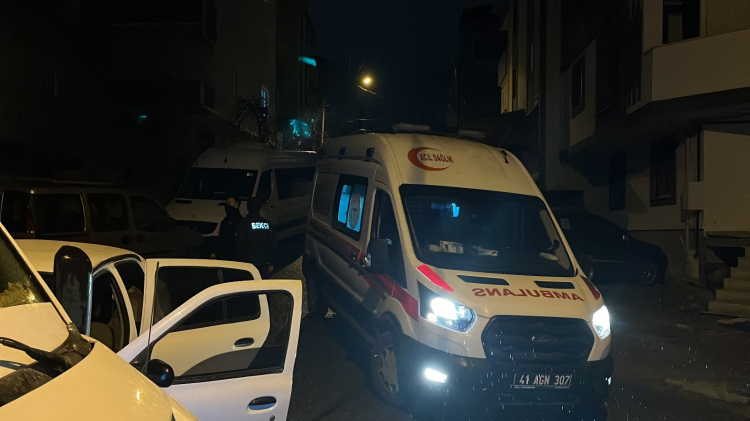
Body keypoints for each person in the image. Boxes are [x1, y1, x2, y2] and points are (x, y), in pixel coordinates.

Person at [235, 196, 276, 278]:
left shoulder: (243, 223)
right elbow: (272, 244)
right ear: (259, 207)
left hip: (247, 264)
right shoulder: (266, 223)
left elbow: (239, 244)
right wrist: (271, 262)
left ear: (248, 207)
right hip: (263, 262)